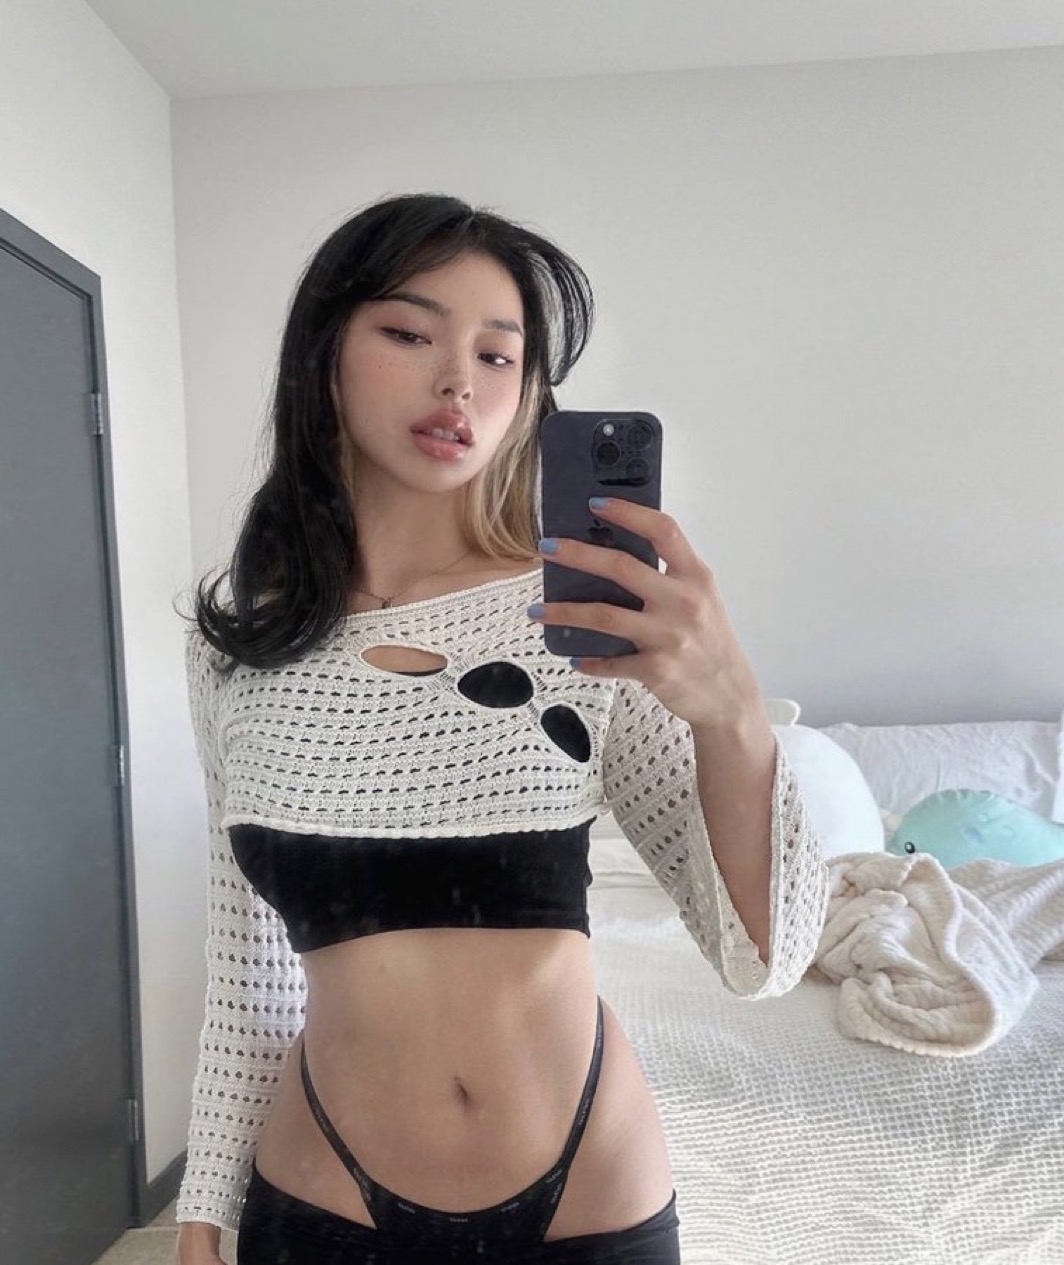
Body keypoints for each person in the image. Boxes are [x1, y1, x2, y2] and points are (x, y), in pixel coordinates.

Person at [175, 193, 829, 1264]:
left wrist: (733, 713)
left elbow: (762, 955)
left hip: (585, 1192)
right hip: (323, 1182)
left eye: (497, 355)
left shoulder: (586, 618)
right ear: (321, 356)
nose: (458, 382)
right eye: (409, 333)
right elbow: (247, 965)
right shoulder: (238, 647)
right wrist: (204, 1207)